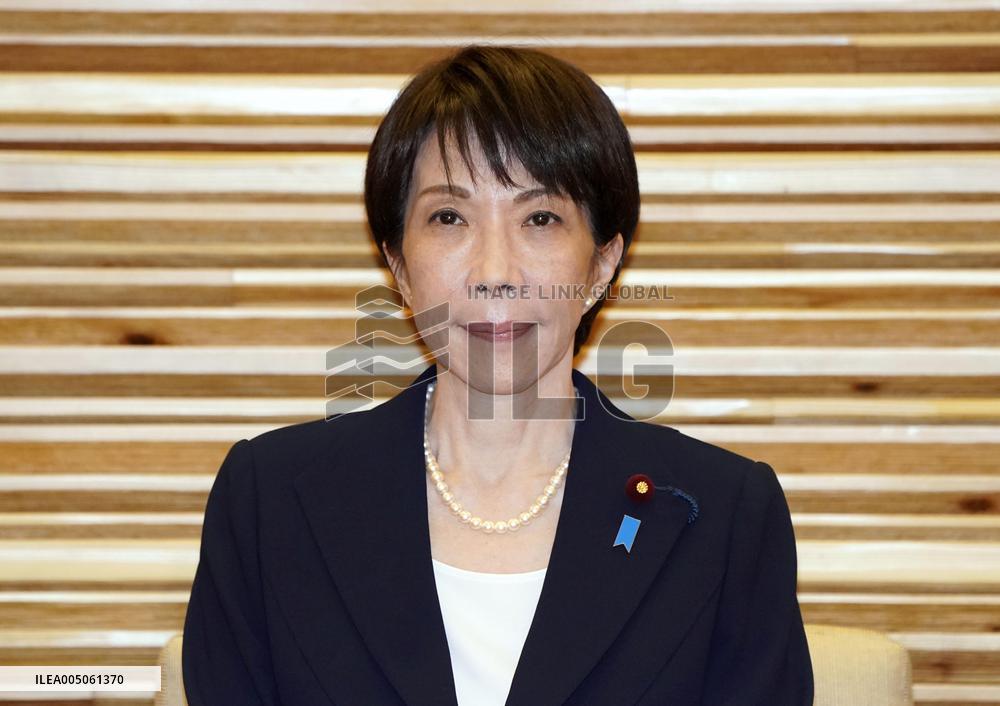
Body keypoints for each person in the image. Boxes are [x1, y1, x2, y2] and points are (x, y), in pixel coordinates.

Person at [182, 44, 814, 706]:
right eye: (448, 217)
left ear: (600, 266)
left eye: (540, 218)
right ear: (397, 264)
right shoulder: (267, 504)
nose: (495, 271)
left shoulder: (721, 519)